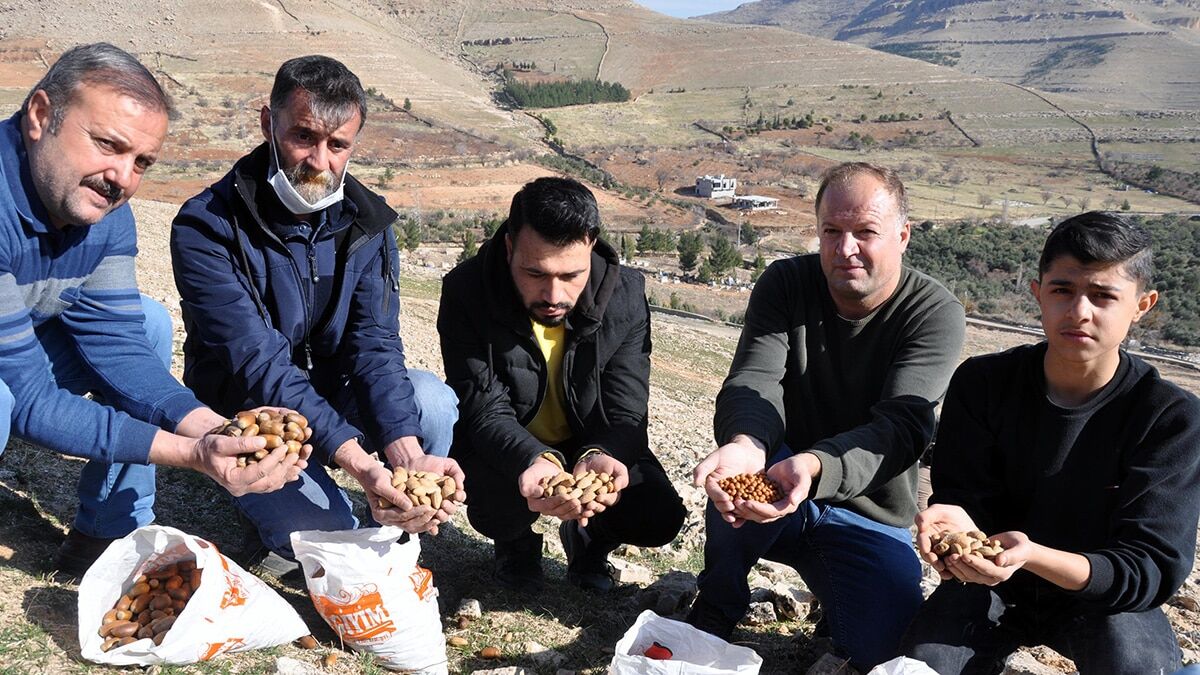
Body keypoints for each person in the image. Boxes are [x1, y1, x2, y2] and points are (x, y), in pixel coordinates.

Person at [0, 43, 309, 578]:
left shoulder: (101, 210)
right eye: (107, 145)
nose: (121, 177)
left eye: (140, 162)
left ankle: (106, 530)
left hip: (19, 348)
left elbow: (117, 345)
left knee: (148, 323)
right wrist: (190, 456)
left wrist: (223, 429)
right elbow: (27, 397)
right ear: (41, 116)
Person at [170, 55, 461, 565]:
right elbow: (258, 367)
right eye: (304, 137)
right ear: (268, 123)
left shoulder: (368, 224)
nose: (320, 161)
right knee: (326, 534)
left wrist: (405, 456)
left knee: (430, 401)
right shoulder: (207, 227)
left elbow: (375, 346)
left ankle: (389, 522)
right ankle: (267, 498)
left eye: (338, 145)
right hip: (252, 411)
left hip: (333, 394)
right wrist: (359, 463)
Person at [687, 162, 965, 668]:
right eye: (832, 232)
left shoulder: (933, 312)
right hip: (777, 477)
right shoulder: (786, 284)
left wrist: (815, 468)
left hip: (868, 509)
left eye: (865, 232)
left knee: (880, 648)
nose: (846, 249)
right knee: (737, 475)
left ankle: (837, 598)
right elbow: (754, 381)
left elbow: (902, 427)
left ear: (902, 236)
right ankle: (717, 604)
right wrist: (745, 443)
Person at [901, 212, 1199, 673]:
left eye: (1103, 296)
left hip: (1104, 600)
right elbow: (962, 500)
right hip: (989, 585)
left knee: (1137, 663)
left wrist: (1033, 556)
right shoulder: (982, 383)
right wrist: (948, 525)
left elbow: (1148, 568)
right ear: (1038, 293)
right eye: (1063, 290)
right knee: (922, 665)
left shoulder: (1169, 417)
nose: (1079, 311)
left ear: (1143, 305)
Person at [438, 176, 685, 592]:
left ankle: (590, 537)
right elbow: (482, 407)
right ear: (509, 247)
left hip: (589, 440)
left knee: (657, 514)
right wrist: (535, 460)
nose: (553, 293)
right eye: (535, 273)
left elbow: (626, 409)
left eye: (571, 275)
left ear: (591, 245)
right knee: (493, 505)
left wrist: (603, 455)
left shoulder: (624, 296)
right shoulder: (467, 291)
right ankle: (515, 545)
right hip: (509, 441)